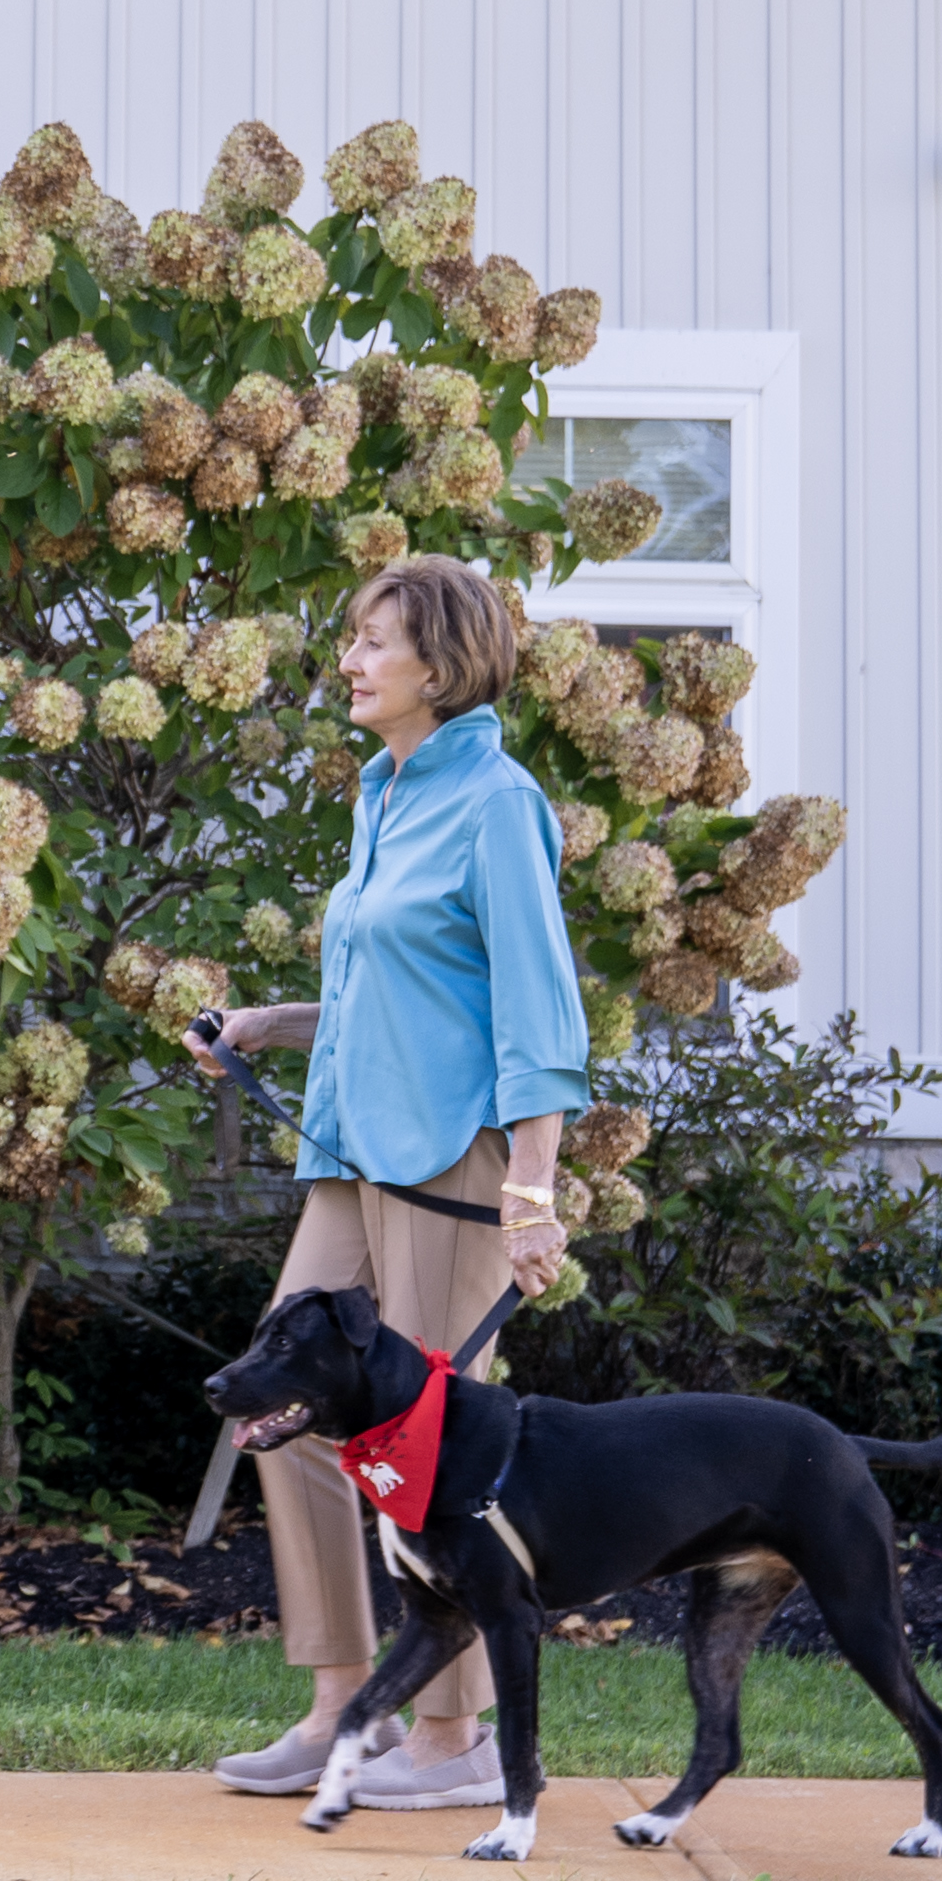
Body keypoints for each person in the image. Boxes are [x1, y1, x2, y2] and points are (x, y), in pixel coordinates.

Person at [184, 553, 589, 1813]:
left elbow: (532, 1006)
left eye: (373, 641)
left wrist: (533, 1189)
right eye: (352, 639)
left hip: (450, 1168)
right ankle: (333, 1703)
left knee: (433, 1448)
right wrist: (270, 1020)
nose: (349, 661)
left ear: (443, 661)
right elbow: (401, 985)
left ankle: (450, 1736)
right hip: (353, 1156)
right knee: (278, 1415)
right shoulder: (385, 791)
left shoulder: (496, 800)